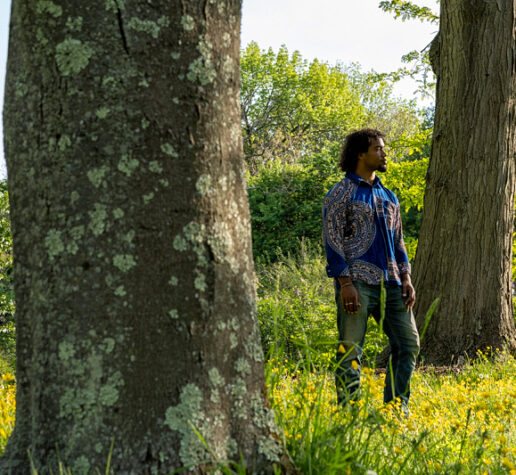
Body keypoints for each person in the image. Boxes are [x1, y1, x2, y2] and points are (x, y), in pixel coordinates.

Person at [322, 128, 420, 408]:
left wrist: (407, 277)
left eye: (383, 148)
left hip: (393, 283)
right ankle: (348, 411)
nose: (384, 152)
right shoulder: (340, 194)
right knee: (350, 350)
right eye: (377, 148)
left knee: (409, 344)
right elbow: (333, 241)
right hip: (357, 283)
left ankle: (395, 409)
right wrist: (345, 284)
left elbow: (399, 240)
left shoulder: (389, 196)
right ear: (360, 154)